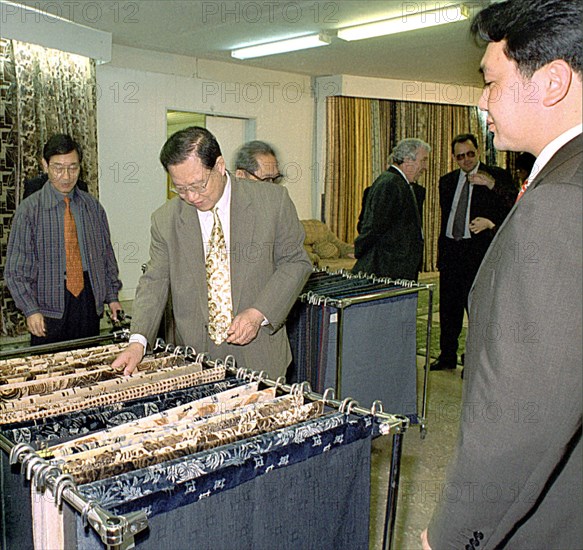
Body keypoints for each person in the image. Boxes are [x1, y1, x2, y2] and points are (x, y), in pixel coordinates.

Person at [422, 0, 582, 548]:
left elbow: (522, 420)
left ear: (552, 82)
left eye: (490, 82)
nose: (481, 102)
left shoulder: (558, 202)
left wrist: (452, 537)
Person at [112, 127, 312, 379]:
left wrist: (258, 313)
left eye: (198, 185)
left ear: (219, 165)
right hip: (195, 358)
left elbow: (295, 263)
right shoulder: (166, 220)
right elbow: (154, 281)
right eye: (180, 189)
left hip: (261, 354)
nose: (192, 197)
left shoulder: (272, 202)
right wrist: (137, 341)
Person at [5, 134, 122, 345]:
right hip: (48, 304)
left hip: (87, 300)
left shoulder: (92, 207)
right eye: (58, 168)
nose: (66, 176)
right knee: (50, 370)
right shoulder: (30, 210)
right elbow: (16, 270)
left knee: (88, 365)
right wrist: (30, 309)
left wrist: (112, 297)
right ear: (45, 165)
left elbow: (106, 256)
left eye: (73, 168)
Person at [430, 133, 515, 371]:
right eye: (460, 157)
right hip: (451, 252)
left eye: (470, 154)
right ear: (454, 158)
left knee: (477, 309)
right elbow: (447, 218)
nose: (466, 160)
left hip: (477, 254)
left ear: (477, 152)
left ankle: (474, 359)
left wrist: (490, 186)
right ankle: (447, 355)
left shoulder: (496, 176)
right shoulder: (446, 182)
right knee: (449, 308)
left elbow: (515, 205)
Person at [352, 138, 429, 281]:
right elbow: (375, 226)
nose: (425, 167)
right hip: (389, 268)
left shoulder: (397, 182)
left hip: (396, 267)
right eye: (423, 160)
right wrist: (359, 250)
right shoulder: (391, 184)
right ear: (407, 160)